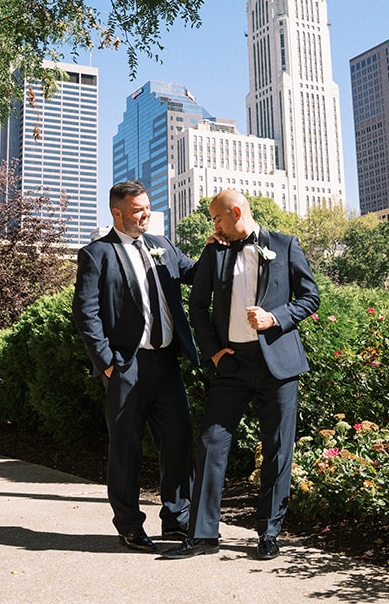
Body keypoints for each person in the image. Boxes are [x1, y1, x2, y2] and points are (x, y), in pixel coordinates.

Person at [162, 189, 319, 561]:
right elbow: (197, 306)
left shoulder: (285, 245)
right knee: (211, 442)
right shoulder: (214, 252)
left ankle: (268, 533)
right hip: (231, 365)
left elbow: (311, 298)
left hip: (278, 364)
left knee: (278, 448)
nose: (213, 225)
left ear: (235, 213)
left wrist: (276, 317)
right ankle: (202, 534)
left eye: (217, 218)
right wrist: (214, 351)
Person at [72, 180, 201, 552]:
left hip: (166, 363)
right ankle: (129, 525)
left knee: (179, 441)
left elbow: (193, 273)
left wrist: (220, 247)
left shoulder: (162, 245)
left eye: (148, 207)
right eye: (138, 209)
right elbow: (86, 313)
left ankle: (177, 520)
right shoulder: (97, 254)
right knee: (126, 449)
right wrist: (108, 364)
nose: (146, 214)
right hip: (126, 366)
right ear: (118, 212)